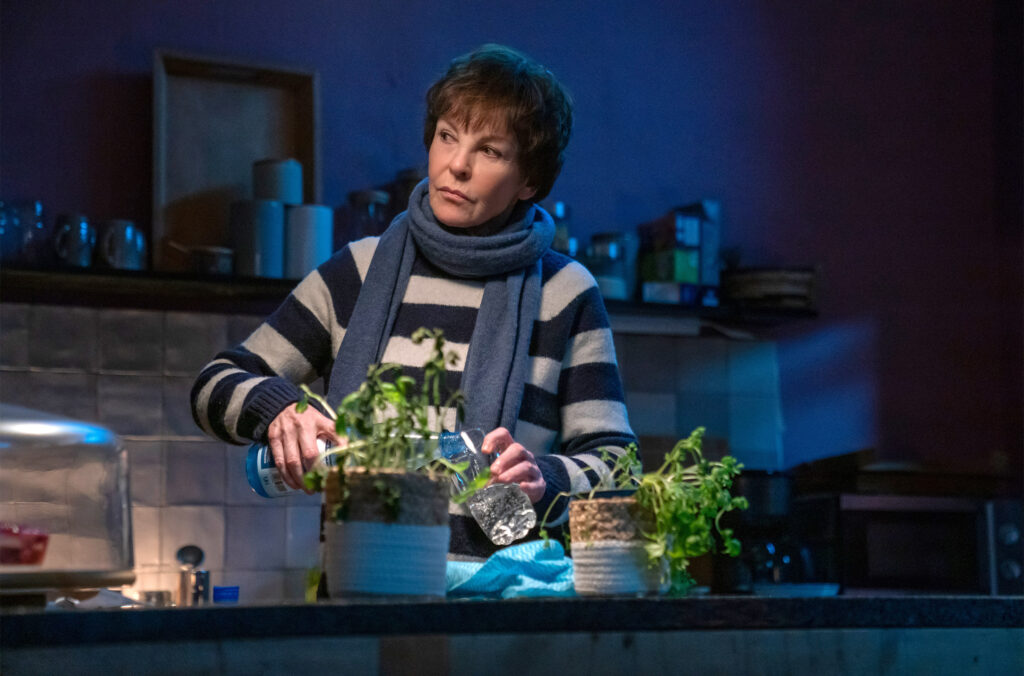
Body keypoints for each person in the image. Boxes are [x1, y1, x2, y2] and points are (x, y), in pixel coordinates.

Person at [191, 44, 636, 559]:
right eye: (448, 136)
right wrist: (279, 410)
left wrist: (545, 479)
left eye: (490, 151)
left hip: (503, 596)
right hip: (361, 586)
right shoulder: (358, 271)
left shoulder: (566, 292)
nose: (457, 165)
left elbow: (619, 467)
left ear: (529, 182)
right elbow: (212, 385)